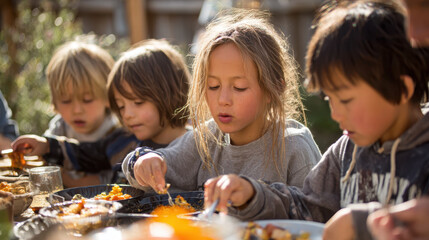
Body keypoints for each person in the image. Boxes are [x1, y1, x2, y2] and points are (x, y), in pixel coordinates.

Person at [203, 1, 429, 240]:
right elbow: (307, 208)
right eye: (330, 99)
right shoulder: (346, 150)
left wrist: (361, 224)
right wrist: (253, 194)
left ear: (401, 90)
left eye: (346, 100)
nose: (335, 114)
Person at [122, 9, 321, 196]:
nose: (223, 100)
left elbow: (315, 213)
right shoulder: (205, 140)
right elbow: (150, 165)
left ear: (274, 89)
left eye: (239, 87)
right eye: (213, 86)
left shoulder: (295, 147)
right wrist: (144, 161)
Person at [12, 39, 190, 186]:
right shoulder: (123, 141)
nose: (127, 114)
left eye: (138, 102)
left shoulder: (198, 145)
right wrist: (47, 146)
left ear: (170, 94)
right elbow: (88, 155)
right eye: (120, 106)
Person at [366, 0, 429, 239]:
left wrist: (360, 221)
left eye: (425, 5)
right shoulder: (348, 147)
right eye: (406, 9)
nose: (414, 35)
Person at [42, 40, 119, 185]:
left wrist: (69, 181)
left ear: (108, 97)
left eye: (87, 100)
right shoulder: (60, 127)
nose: (77, 110)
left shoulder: (116, 131)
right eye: (65, 100)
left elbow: (117, 180)